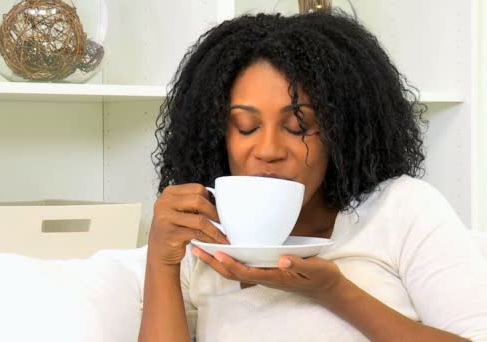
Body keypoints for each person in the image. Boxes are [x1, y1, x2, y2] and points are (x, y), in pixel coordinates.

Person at [138, 10, 487, 342]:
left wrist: (334, 292)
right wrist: (161, 260)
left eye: (298, 126)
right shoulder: (202, 238)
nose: (268, 149)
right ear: (218, 135)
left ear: (340, 131)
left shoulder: (402, 210)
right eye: (246, 127)